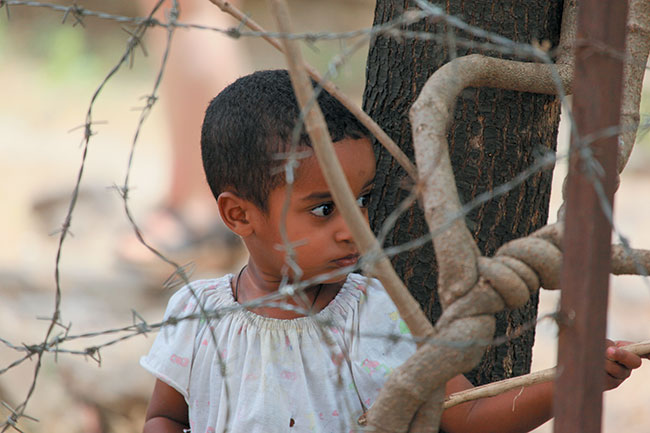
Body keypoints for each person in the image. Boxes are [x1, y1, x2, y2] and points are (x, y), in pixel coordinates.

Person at [140, 70, 646, 433]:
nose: (355, 230)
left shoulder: (373, 311)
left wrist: (572, 380)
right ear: (238, 215)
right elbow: (166, 416)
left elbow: (465, 413)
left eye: (360, 202)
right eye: (323, 210)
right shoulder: (198, 315)